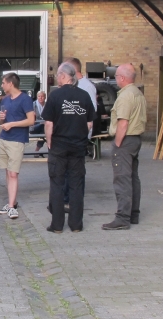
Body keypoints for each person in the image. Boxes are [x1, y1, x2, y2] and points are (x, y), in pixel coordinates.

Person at [42, 63, 95, 233]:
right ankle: (76, 225)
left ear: (64, 76)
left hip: (58, 146)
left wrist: (49, 142)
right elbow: (89, 123)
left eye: (58, 75)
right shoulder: (84, 95)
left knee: (57, 184)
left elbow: (48, 123)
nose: (57, 78)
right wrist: (80, 135)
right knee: (76, 185)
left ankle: (57, 225)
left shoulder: (55, 95)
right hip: (78, 146)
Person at [102, 64, 147, 230]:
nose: (115, 80)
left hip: (125, 140)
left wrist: (117, 144)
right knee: (133, 177)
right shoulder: (138, 93)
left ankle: (122, 217)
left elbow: (123, 122)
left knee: (122, 178)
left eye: (116, 77)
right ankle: (133, 213)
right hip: (135, 139)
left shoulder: (125, 96)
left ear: (122, 78)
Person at [0, 73, 35, 219]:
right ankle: (11, 202)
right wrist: (1, 120)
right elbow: (1, 122)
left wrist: (12, 124)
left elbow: (31, 120)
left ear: (10, 83)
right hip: (4, 139)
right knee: (8, 172)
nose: (2, 85)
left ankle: (12, 207)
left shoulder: (25, 99)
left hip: (17, 140)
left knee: (13, 173)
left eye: (3, 83)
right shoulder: (5, 100)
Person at [62, 57, 98, 210]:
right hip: (67, 136)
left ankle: (74, 202)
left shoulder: (86, 87)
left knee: (76, 172)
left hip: (78, 137)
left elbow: (90, 114)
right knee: (66, 171)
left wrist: (84, 135)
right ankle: (66, 200)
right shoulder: (70, 87)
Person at [31, 91, 47, 155]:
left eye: (42, 96)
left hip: (43, 127)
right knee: (44, 128)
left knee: (44, 131)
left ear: (45, 97)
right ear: (37, 97)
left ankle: (37, 151)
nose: (40, 98)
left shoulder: (47, 105)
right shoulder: (33, 105)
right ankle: (37, 150)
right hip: (34, 126)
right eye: (39, 96)